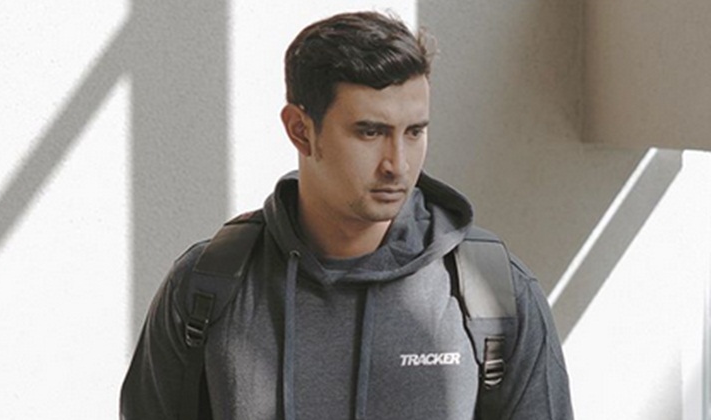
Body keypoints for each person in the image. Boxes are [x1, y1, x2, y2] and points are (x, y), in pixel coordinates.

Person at [121, 11, 573, 420]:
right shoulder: (208, 286)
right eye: (370, 132)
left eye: (414, 132)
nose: (397, 164)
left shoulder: (493, 291)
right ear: (300, 130)